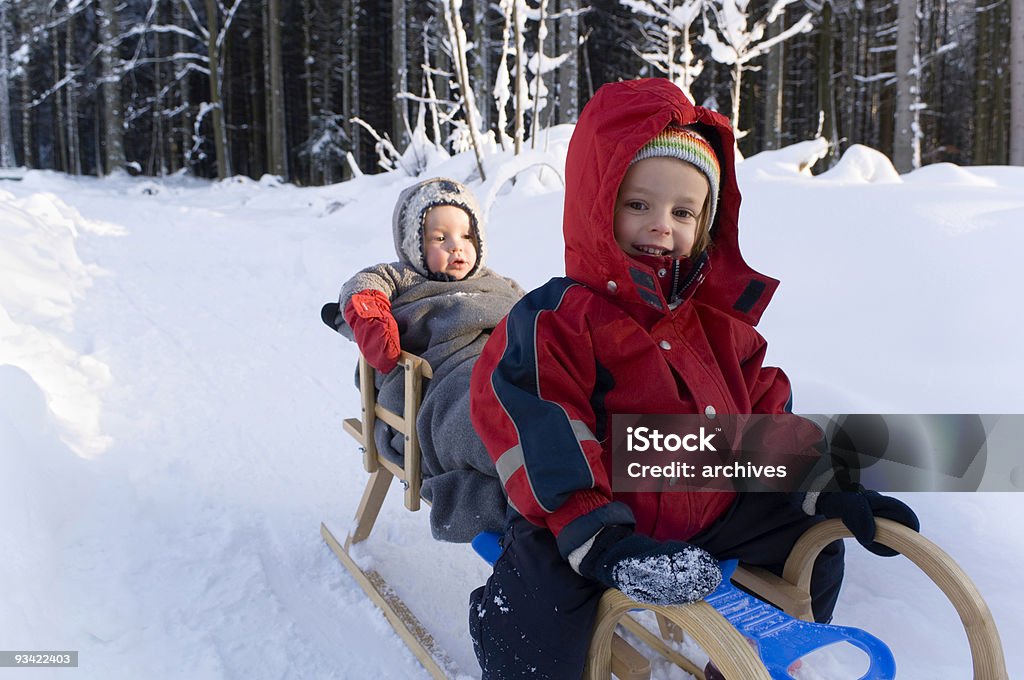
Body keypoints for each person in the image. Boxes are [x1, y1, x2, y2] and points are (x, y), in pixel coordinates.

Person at [467, 78, 919, 678]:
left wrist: (828, 488)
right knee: (541, 609)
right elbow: (542, 427)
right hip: (599, 517)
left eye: (682, 212)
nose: (661, 225)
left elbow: (763, 424)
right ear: (596, 205)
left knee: (813, 541)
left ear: (705, 223)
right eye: (638, 204)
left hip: (711, 509)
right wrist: (598, 536)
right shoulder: (559, 319)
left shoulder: (715, 325)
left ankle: (755, 658)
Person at [332, 177, 524, 543]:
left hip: (511, 365)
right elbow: (359, 290)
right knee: (495, 417)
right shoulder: (399, 276)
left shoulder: (499, 283)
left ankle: (639, 480)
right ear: (413, 243)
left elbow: (540, 319)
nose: (457, 247)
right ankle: (537, 487)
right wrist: (373, 320)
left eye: (467, 236)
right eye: (441, 238)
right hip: (449, 378)